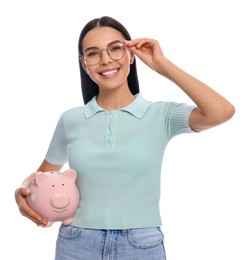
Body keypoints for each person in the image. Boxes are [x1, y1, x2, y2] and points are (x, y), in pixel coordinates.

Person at [15, 16, 235, 260]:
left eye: (115, 48)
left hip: (141, 245)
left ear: (131, 54)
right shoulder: (71, 120)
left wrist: (162, 64)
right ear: (84, 63)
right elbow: (42, 176)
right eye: (93, 53)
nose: (106, 59)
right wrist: (22, 191)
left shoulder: (160, 115)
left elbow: (221, 111)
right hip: (77, 243)